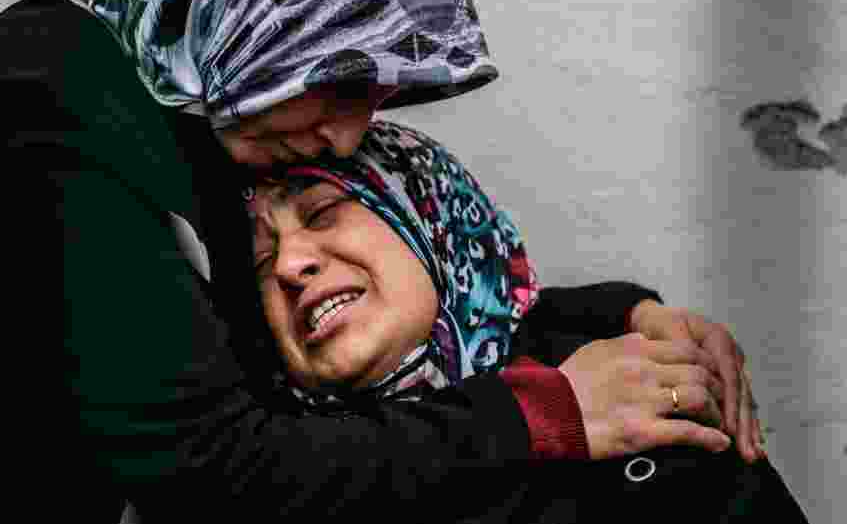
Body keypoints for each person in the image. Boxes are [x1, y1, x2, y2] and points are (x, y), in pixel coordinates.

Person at [3, 0, 765, 520]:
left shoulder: (174, 103)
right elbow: (214, 465)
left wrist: (617, 324)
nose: (348, 133)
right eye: (342, 82)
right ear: (262, 5)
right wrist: (545, 412)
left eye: (328, 210)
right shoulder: (57, 110)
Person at [233, 119, 809, 522]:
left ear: (433, 222)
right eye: (259, 261)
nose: (288, 263)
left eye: (324, 211)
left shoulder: (636, 390)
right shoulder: (265, 482)